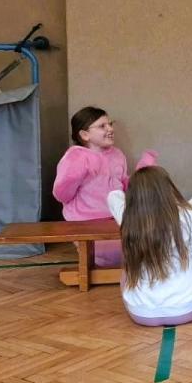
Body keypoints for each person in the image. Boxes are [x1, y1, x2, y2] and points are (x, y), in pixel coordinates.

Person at [108, 166, 192, 327]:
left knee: (127, 273)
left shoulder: (129, 219)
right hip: (186, 310)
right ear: (169, 189)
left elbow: (113, 196)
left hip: (140, 313)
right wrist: (188, 203)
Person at [52, 106, 157, 267]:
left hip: (117, 218)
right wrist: (78, 171)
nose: (110, 129)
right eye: (102, 126)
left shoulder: (117, 154)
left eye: (110, 124)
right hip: (86, 223)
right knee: (131, 250)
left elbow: (123, 187)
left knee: (153, 240)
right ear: (85, 135)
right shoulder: (75, 157)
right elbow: (61, 194)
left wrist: (142, 174)